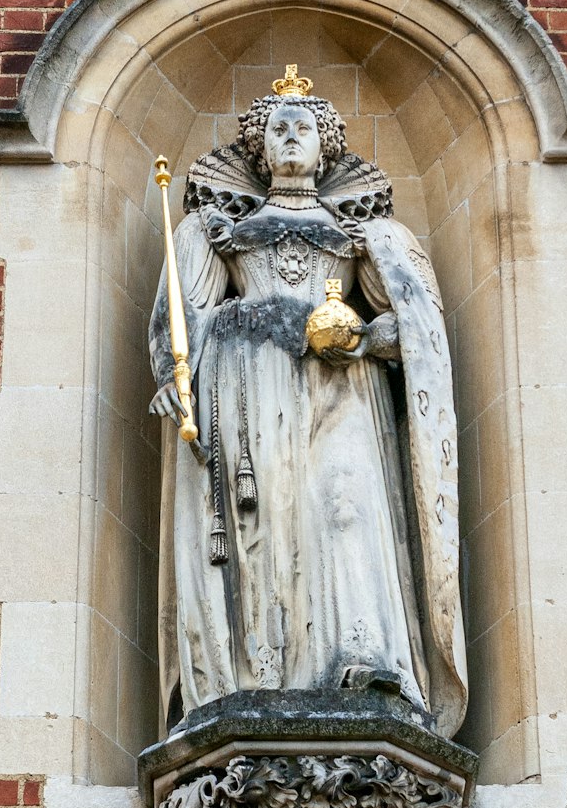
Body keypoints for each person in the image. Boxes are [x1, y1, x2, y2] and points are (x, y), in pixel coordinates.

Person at [150, 69, 467, 738]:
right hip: (247, 388)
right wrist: (178, 380)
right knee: (268, 527)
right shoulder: (217, 229)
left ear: (324, 150)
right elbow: (186, 319)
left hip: (339, 386)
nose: (291, 138)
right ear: (261, 149)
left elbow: (409, 330)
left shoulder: (363, 236)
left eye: (304, 129)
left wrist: (360, 337)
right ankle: (263, 677)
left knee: (346, 508)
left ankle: (363, 659)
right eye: (279, 128)